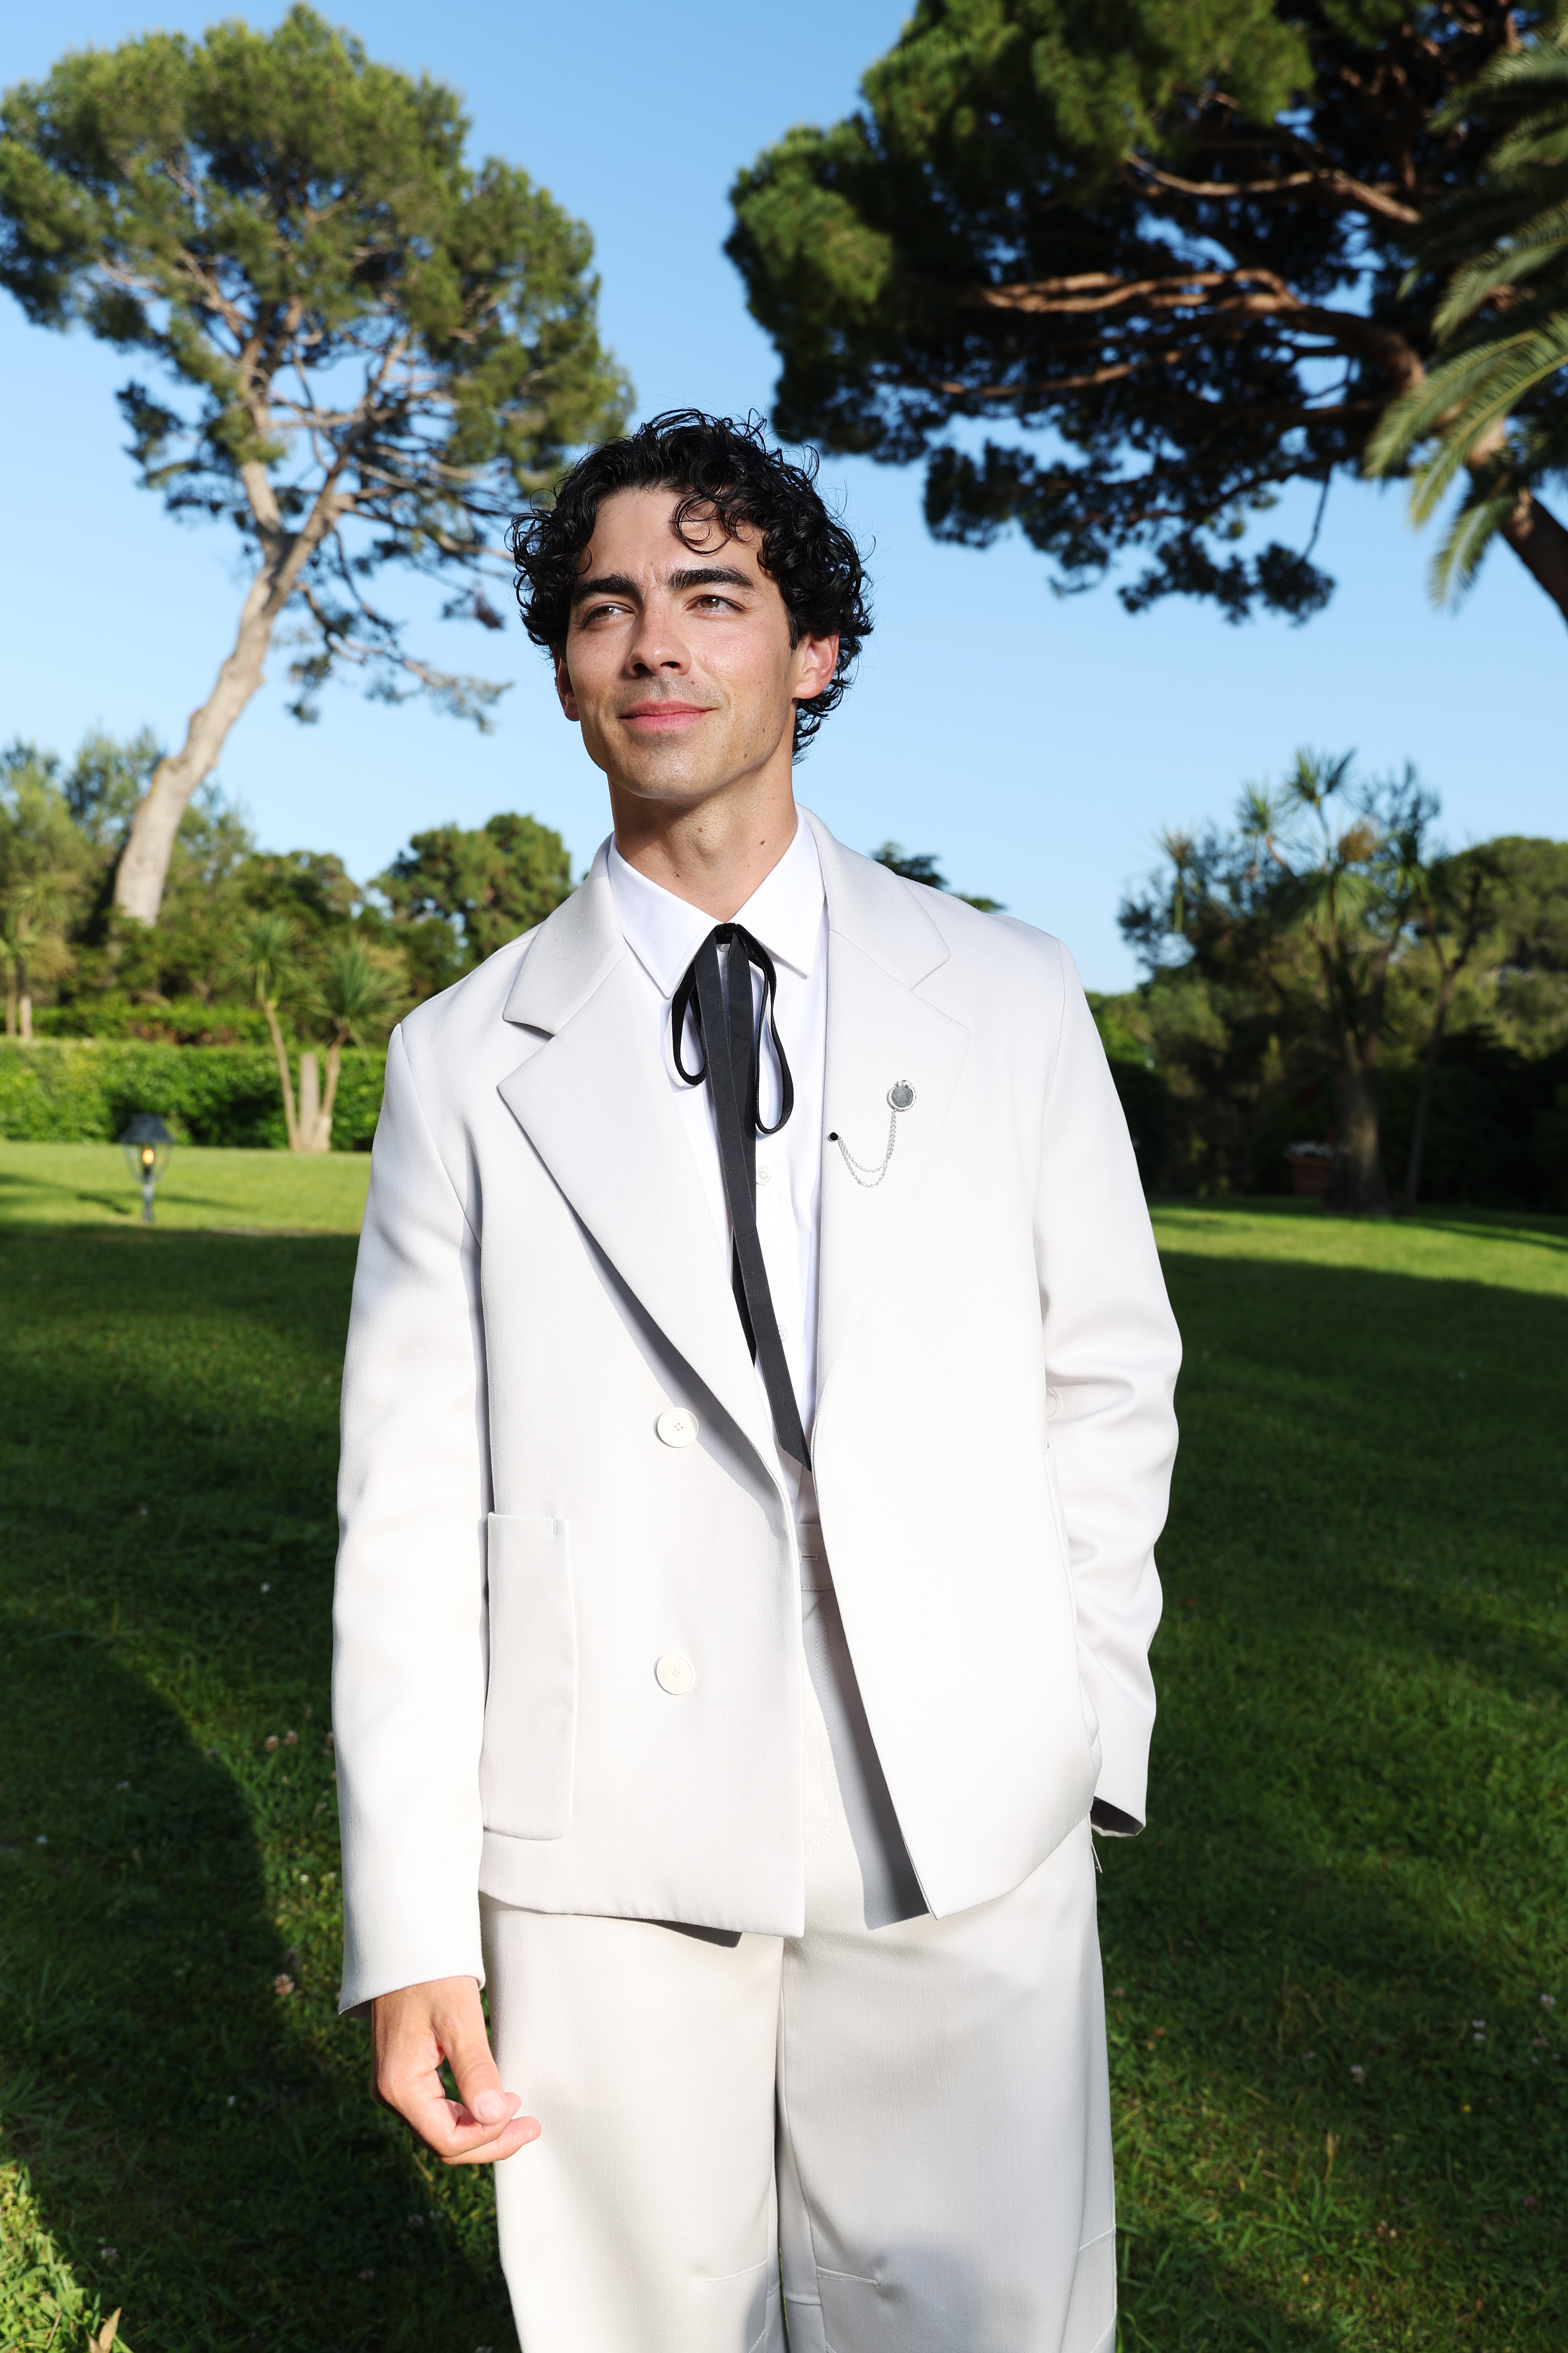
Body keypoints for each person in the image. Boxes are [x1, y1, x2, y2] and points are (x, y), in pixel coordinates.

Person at [332, 409, 1181, 2353]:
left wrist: (1075, 1734)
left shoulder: (1013, 994)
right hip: (599, 1842)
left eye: (711, 596)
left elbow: (1104, 1382)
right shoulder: (457, 1062)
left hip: (962, 1820)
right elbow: (403, 1517)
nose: (654, 644)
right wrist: (411, 1927)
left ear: (810, 652)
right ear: (560, 667)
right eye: (605, 605)